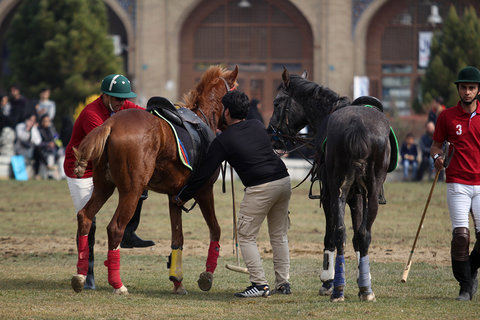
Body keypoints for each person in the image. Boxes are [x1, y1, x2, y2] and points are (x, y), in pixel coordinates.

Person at [173, 90, 292, 298]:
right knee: (279, 235)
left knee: (245, 236)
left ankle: (260, 284)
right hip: (283, 181)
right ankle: (283, 283)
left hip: (260, 188)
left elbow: (203, 174)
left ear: (226, 112)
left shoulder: (223, 141)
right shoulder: (256, 125)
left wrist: (183, 195)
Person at [63, 74, 155, 290]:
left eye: (123, 99)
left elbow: (143, 115)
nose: (120, 103)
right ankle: (88, 273)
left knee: (138, 189)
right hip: (82, 169)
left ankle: (129, 233)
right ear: (104, 95)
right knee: (89, 219)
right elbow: (104, 146)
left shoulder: (124, 105)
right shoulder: (91, 114)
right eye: (115, 98)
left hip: (106, 168)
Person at [430, 66, 480, 301]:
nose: (467, 92)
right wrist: (436, 158)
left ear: (478, 90)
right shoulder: (446, 116)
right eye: (464, 87)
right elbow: (436, 145)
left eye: (471, 88)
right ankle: (465, 286)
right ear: (458, 89)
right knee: (461, 236)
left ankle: (470, 272)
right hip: (457, 182)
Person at [36, 114, 59, 179]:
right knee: (50, 156)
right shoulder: (38, 130)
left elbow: (57, 138)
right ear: (42, 121)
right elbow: (38, 143)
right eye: (45, 121)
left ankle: (62, 176)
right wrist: (48, 144)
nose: (47, 122)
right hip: (42, 151)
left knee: (62, 155)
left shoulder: (51, 130)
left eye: (48, 121)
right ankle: (50, 175)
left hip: (53, 149)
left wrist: (56, 145)